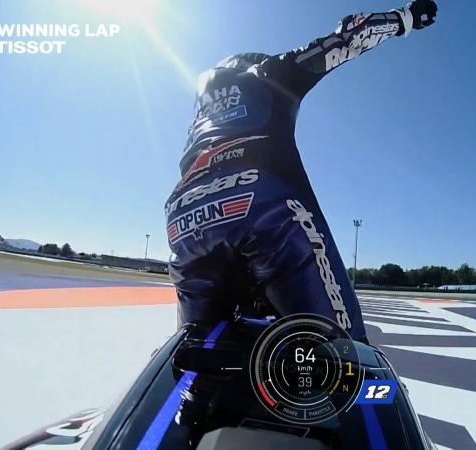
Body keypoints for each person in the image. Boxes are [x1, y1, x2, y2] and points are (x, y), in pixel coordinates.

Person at [165, 1, 438, 341]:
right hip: (260, 203)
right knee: (343, 352)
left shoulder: (198, 119)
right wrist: (405, 18)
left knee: (193, 348)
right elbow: (349, 36)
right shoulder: (266, 73)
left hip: (183, 217)